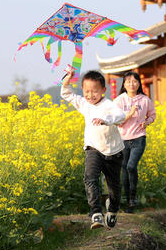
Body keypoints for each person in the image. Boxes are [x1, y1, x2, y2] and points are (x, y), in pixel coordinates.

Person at [61, 66, 136, 229]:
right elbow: (66, 93)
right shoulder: (83, 103)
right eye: (86, 91)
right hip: (93, 149)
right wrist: (69, 76)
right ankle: (96, 213)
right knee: (90, 178)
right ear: (82, 90)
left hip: (114, 152)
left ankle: (113, 209)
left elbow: (120, 115)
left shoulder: (109, 105)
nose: (90, 95)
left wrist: (105, 119)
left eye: (94, 91)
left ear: (103, 90)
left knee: (114, 188)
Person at [114, 72, 156, 213]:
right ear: (124, 84)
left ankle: (133, 196)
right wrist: (129, 114)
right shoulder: (119, 101)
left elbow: (152, 115)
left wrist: (147, 122)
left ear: (139, 83)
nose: (132, 84)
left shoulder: (145, 100)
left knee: (131, 166)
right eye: (128, 81)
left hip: (139, 138)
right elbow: (116, 121)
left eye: (135, 81)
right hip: (123, 140)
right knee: (124, 169)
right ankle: (129, 202)